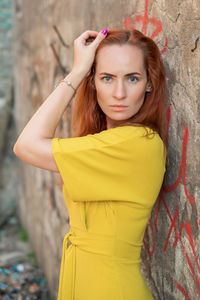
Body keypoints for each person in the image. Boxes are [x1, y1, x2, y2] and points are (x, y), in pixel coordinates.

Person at [13, 27, 168, 300]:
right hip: (82, 284)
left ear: (149, 83)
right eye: (107, 78)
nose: (119, 93)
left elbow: (26, 145)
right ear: (94, 82)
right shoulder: (105, 141)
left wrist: (76, 72)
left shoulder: (137, 144)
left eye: (132, 78)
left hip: (112, 290)